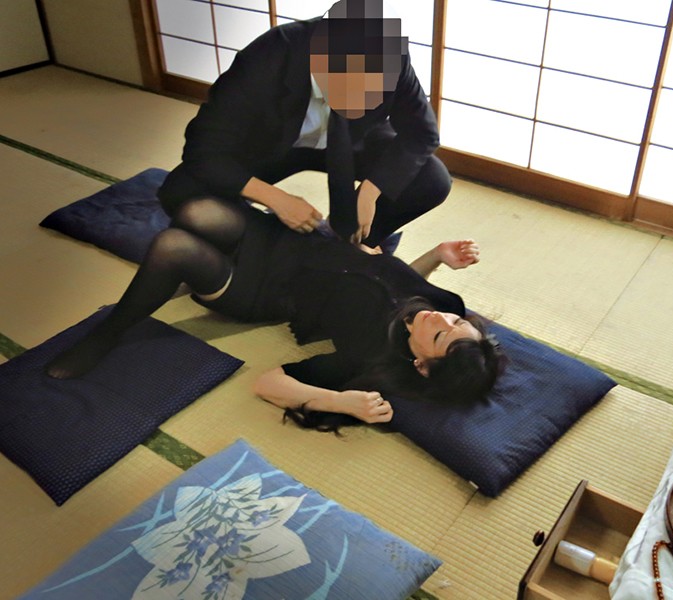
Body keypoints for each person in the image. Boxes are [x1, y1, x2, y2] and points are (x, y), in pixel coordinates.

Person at [46, 198, 506, 431]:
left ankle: (108, 332)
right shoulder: (446, 307)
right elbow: (401, 284)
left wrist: (342, 402)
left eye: (442, 335)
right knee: (196, 211)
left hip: (267, 290)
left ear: (422, 365)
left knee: (173, 247)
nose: (441, 321)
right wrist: (436, 255)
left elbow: (268, 382)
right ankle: (186, 275)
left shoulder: (370, 358)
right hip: (296, 244)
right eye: (457, 324)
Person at [158, 0, 451, 248]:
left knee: (431, 179)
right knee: (181, 191)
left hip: (351, 140)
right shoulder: (268, 57)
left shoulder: (392, 58)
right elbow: (202, 149)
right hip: (273, 142)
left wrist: (371, 191)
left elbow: (423, 134)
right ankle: (273, 245)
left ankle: (352, 246)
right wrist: (276, 199)